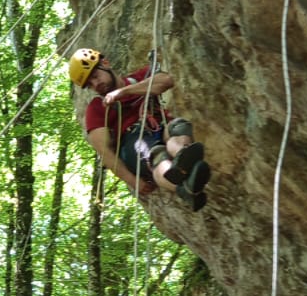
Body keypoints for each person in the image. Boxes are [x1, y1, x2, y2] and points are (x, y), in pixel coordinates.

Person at [68, 46, 212, 210]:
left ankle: (182, 160)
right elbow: (104, 151)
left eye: (95, 76)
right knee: (156, 155)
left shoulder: (140, 78)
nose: (96, 84)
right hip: (132, 143)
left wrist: (123, 92)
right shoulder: (97, 108)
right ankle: (181, 186)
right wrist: (132, 180)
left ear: (105, 64)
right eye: (90, 84)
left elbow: (166, 81)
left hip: (158, 125)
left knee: (179, 127)